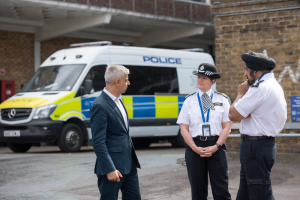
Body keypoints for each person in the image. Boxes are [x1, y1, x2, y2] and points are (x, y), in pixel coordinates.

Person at [228, 50, 287, 200]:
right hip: (259, 145)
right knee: (246, 192)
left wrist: (240, 94)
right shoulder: (273, 86)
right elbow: (245, 113)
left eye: (246, 70)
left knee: (259, 193)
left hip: (256, 146)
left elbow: (233, 114)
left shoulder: (260, 88)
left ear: (256, 71)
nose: (245, 74)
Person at [177, 63, 232, 200]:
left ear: (213, 81)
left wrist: (216, 146)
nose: (200, 80)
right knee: (198, 191)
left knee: (221, 190)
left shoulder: (222, 99)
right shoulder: (189, 101)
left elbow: (227, 127)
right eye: (198, 77)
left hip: (216, 146)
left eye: (204, 78)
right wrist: (194, 148)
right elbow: (184, 129)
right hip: (195, 146)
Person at [90, 65, 141, 200]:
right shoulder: (99, 105)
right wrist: (109, 169)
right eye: (126, 80)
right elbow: (98, 141)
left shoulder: (119, 100)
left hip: (129, 165)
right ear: (117, 82)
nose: (128, 83)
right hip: (112, 169)